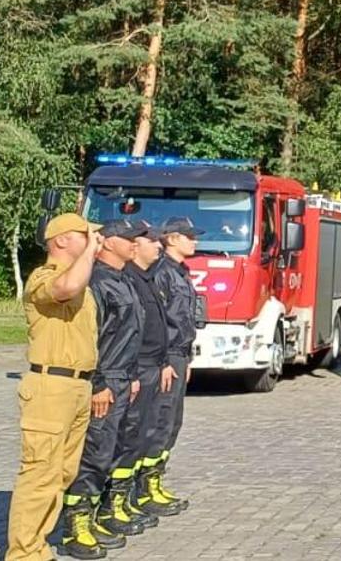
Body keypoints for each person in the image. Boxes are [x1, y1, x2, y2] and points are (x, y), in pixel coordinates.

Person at [6, 213, 101, 561]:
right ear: (61, 240)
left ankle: (38, 546)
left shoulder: (83, 281)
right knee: (39, 475)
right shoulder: (44, 277)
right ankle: (24, 554)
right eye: (84, 235)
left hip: (77, 386)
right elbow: (66, 288)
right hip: (50, 386)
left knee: (61, 474)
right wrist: (91, 251)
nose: (93, 240)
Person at [65, 219, 153, 558]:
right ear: (109, 243)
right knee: (94, 453)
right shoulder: (99, 283)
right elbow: (92, 339)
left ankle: (96, 513)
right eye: (129, 238)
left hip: (122, 378)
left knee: (111, 451)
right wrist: (99, 383)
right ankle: (76, 526)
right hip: (105, 380)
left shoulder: (123, 280)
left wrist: (129, 376)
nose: (136, 243)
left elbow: (128, 337)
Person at [145, 216, 204, 515]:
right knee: (159, 421)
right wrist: (165, 359)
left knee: (171, 423)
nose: (195, 241)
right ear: (171, 239)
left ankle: (155, 480)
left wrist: (187, 357)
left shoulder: (181, 272)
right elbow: (158, 323)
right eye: (189, 236)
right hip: (166, 357)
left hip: (180, 355)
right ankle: (143, 489)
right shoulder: (161, 273)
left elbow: (184, 320)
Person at [123, 221, 181, 519]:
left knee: (157, 428)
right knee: (132, 433)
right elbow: (129, 333)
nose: (158, 246)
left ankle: (142, 490)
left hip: (159, 363)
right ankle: (119, 502)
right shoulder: (136, 279)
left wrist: (167, 361)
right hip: (138, 368)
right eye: (152, 241)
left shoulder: (146, 278)